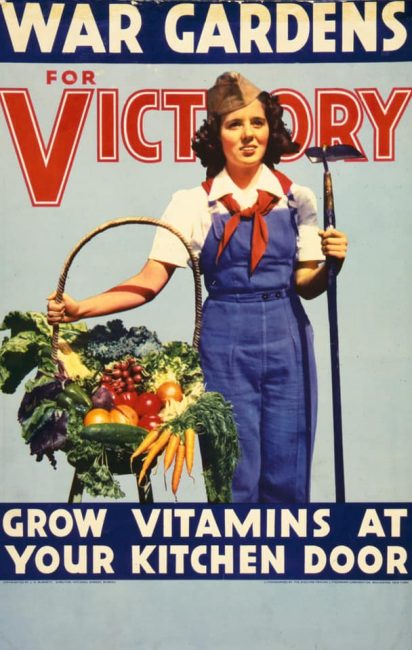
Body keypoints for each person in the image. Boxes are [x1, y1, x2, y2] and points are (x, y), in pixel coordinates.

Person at [48, 72, 348, 503]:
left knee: (289, 467)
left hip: (290, 338)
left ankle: (285, 566)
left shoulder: (297, 198)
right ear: (216, 136)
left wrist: (331, 265)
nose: (248, 135)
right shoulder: (191, 203)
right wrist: (81, 309)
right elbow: (149, 282)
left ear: (271, 128)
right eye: (234, 125)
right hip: (225, 341)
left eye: (258, 123)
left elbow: (307, 283)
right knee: (232, 470)